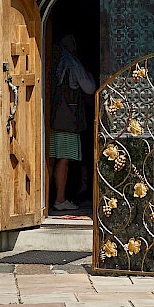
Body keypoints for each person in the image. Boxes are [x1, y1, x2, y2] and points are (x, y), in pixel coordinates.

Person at [48, 34, 94, 212]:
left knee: (51, 159)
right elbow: (89, 88)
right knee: (64, 160)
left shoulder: (51, 61)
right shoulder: (72, 63)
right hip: (66, 119)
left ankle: (45, 198)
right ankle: (60, 199)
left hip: (50, 118)